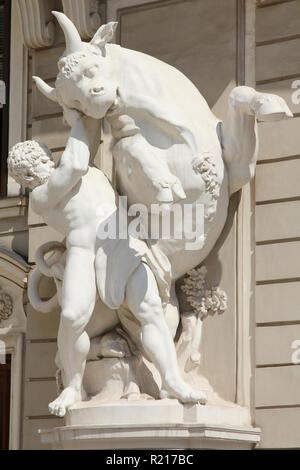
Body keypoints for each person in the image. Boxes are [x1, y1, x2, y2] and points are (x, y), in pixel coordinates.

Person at [8, 109, 207, 417]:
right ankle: (73, 385)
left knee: (150, 309)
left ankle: (171, 380)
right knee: (73, 317)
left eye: (37, 163)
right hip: (83, 252)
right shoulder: (43, 195)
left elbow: (85, 147)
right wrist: (77, 112)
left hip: (120, 241)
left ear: (47, 157)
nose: (36, 172)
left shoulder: (87, 169)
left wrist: (87, 107)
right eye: (28, 173)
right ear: (28, 180)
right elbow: (74, 160)